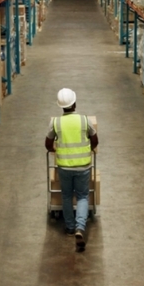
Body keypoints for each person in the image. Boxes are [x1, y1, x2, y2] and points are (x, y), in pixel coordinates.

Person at [45, 88, 98, 251]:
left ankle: (69, 227)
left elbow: (48, 144)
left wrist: (58, 150)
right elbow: (95, 140)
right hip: (83, 165)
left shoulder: (56, 122)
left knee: (67, 195)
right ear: (74, 103)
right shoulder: (84, 120)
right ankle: (80, 228)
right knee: (82, 196)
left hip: (64, 167)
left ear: (61, 106)